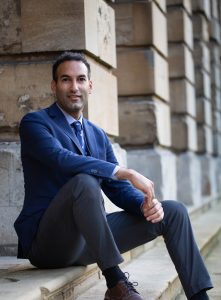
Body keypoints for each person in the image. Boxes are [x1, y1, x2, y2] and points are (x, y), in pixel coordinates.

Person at [14, 51, 212, 300]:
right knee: (84, 182)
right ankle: (115, 282)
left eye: (80, 79)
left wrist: (146, 205)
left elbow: (117, 190)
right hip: (48, 244)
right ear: (54, 86)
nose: (74, 87)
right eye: (66, 80)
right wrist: (124, 172)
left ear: (90, 85)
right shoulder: (35, 123)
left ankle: (200, 297)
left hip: (88, 239)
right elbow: (60, 159)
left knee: (173, 212)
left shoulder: (97, 134)